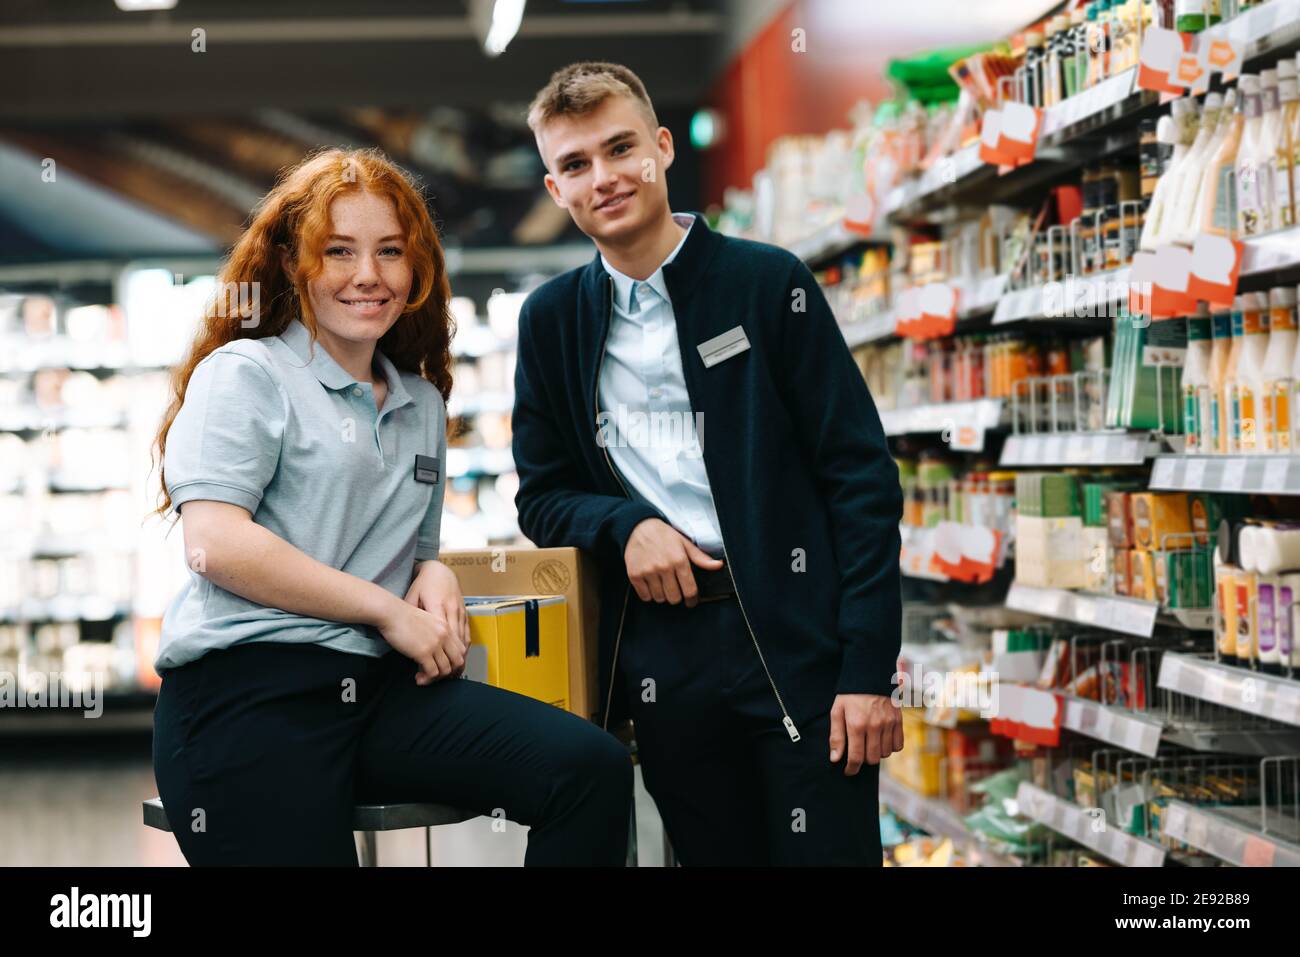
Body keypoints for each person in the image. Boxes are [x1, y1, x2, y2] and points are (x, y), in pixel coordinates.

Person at [150, 148, 632, 867]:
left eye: (389, 252)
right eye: (337, 251)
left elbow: (414, 547)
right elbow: (215, 543)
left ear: (416, 269)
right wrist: (386, 611)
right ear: (291, 264)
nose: (368, 275)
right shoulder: (248, 376)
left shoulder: (419, 402)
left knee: (589, 770)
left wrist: (431, 573)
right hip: (247, 696)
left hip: (377, 693)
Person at [512, 62, 905, 866]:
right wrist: (623, 526)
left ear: (660, 148)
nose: (605, 177)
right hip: (666, 658)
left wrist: (866, 670)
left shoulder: (768, 286)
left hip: (798, 643)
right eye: (577, 164)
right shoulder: (551, 321)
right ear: (556, 190)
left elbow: (860, 480)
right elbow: (544, 494)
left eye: (620, 148)